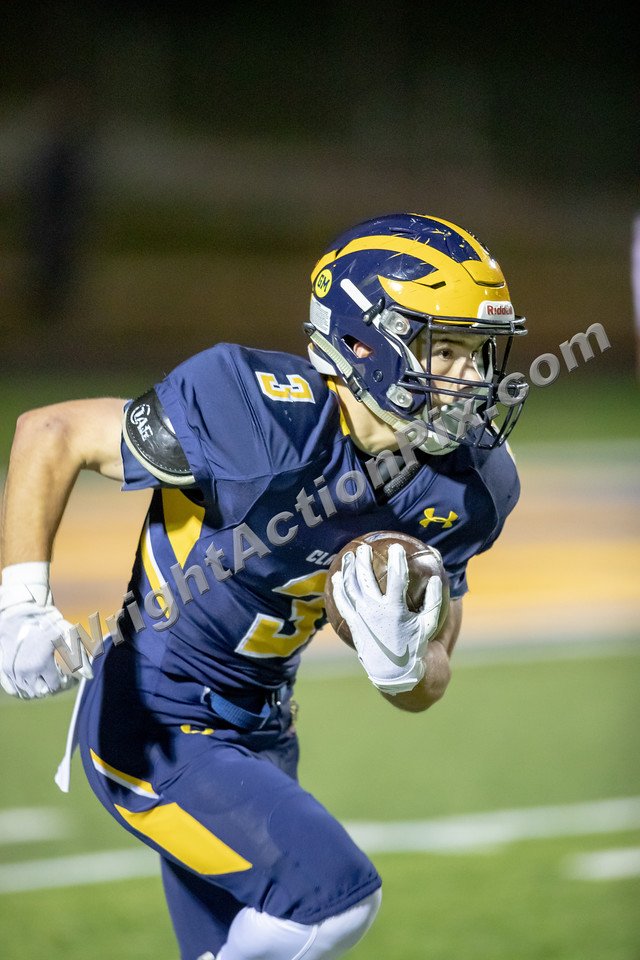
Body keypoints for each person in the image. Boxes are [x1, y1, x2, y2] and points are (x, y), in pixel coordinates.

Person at [0, 213, 528, 959]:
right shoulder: (258, 415)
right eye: (445, 350)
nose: (470, 379)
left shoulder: (463, 487)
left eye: (477, 354)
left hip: (262, 734)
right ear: (362, 343)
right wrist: (18, 611)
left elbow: (431, 680)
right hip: (156, 722)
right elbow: (49, 434)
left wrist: (405, 662)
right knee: (329, 902)